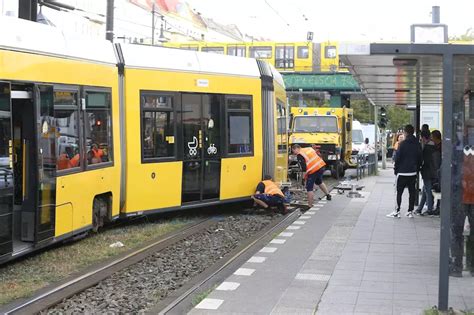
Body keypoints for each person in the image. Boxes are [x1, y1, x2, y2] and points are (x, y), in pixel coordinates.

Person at [387, 124, 422, 218]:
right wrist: (417, 168)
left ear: (405, 133)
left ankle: (397, 211)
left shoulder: (402, 144)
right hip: (413, 172)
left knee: (399, 192)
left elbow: (397, 158)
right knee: (412, 192)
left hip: (402, 172)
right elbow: (420, 158)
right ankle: (410, 211)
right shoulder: (417, 144)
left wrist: (396, 170)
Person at [415, 130, 436, 215]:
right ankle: (419, 208)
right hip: (432, 171)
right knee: (425, 190)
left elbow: (425, 161)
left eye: (421, 138)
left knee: (427, 190)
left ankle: (429, 209)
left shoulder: (427, 148)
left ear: (423, 138)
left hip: (427, 172)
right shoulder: (433, 146)